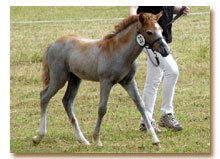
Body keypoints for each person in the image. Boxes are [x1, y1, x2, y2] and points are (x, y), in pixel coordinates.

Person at [128, 6, 190, 132]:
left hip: (159, 38)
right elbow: (133, 7)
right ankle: (166, 114)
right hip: (150, 39)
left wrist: (178, 10)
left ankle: (146, 121)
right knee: (172, 71)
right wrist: (135, 22)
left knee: (153, 81)